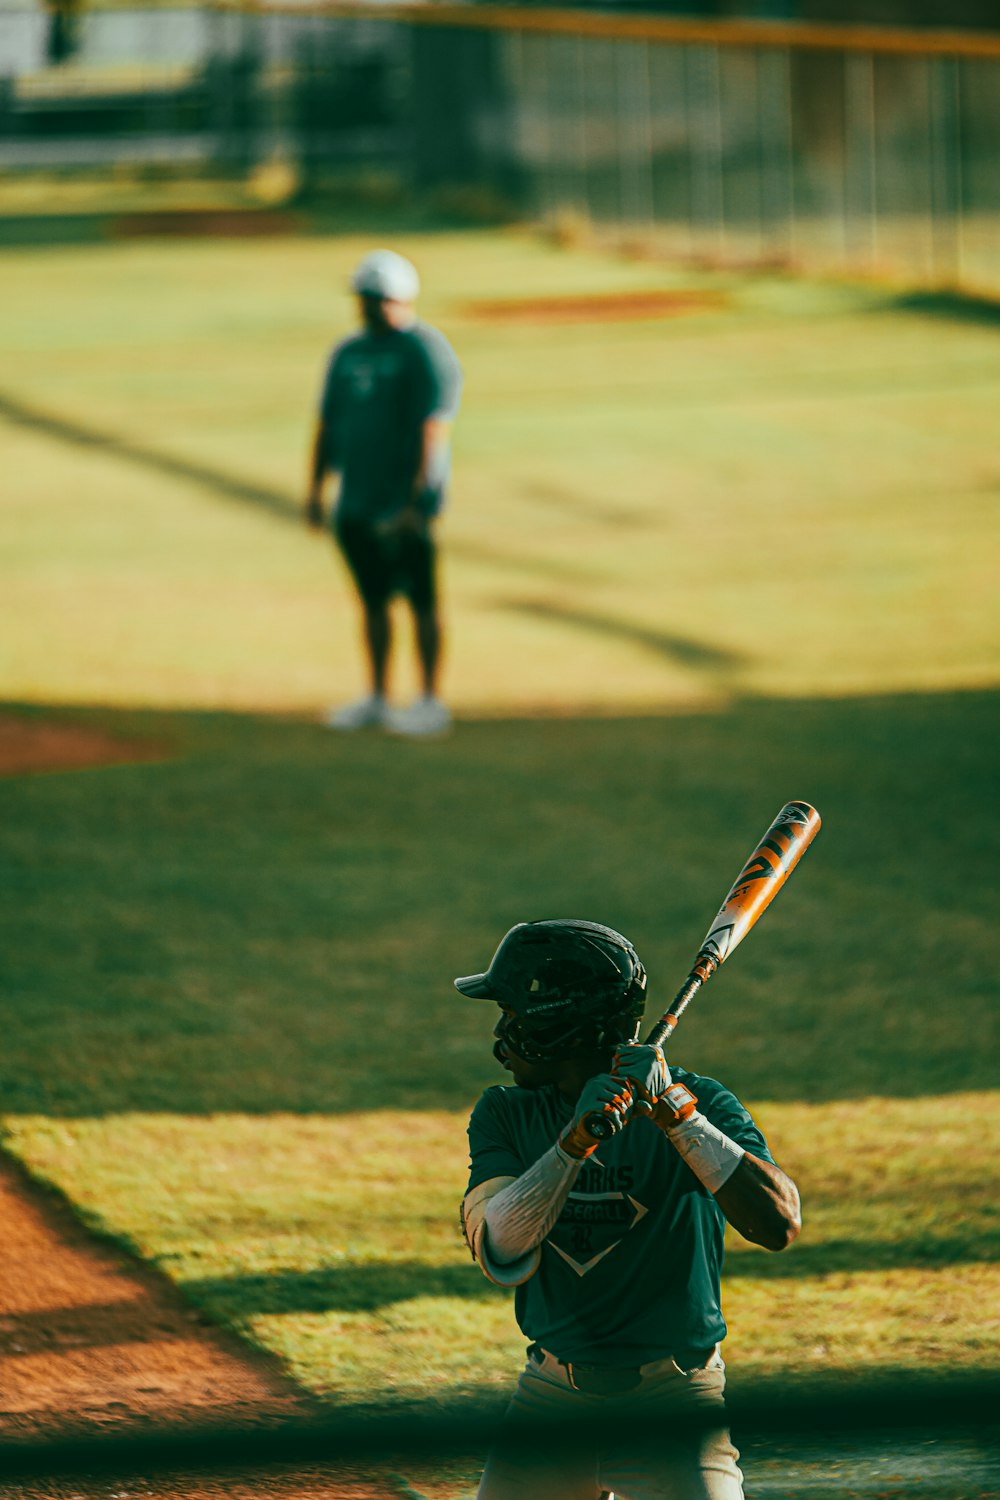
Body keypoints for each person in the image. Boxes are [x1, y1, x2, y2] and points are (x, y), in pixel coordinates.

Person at [456, 918, 802, 1500]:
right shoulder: (503, 1113)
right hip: (548, 1402)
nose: (501, 1030)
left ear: (553, 1026)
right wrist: (573, 1145)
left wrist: (680, 1118)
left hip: (675, 1405)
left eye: (513, 1014)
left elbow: (778, 1223)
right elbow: (501, 1246)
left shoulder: (702, 1102)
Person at [306, 249, 462, 737]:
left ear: (399, 298)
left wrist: (417, 501)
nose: (365, 307)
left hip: (403, 505)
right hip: (357, 498)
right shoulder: (348, 352)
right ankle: (376, 695)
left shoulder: (423, 351)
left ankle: (430, 700)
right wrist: (316, 487)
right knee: (372, 600)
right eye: (362, 298)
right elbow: (329, 423)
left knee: (421, 601)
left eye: (374, 299)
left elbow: (431, 428)